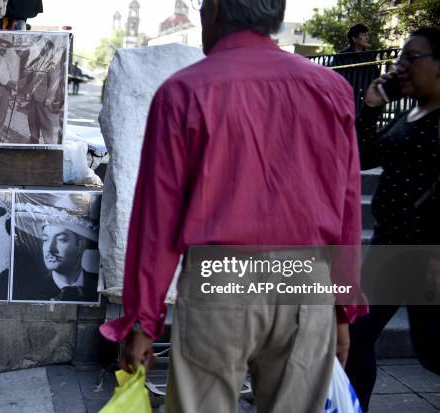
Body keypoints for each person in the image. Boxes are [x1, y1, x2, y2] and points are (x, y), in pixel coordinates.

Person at [99, 0, 366, 411]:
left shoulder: (184, 90)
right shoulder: (331, 89)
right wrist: (343, 307)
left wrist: (143, 320)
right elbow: (348, 206)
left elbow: (157, 221)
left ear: (217, 12)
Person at [345, 27, 440, 411]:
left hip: (427, 252)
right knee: (358, 334)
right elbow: (361, 156)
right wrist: (371, 105)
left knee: (433, 350)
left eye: (411, 58)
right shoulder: (413, 113)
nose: (401, 66)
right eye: (400, 58)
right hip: (393, 246)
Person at [13, 204, 99, 302]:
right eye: (45, 240)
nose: (50, 249)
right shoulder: (28, 290)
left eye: (61, 240)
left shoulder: (99, 285)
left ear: (80, 244)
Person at [22, 39, 63, 144]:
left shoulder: (53, 63)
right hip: (33, 96)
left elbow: (54, 83)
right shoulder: (38, 60)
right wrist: (28, 92)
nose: (40, 49)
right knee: (32, 119)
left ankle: (48, 142)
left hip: (44, 97)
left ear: (48, 48)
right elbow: (31, 78)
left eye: (42, 47)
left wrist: (49, 98)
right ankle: (34, 139)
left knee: (45, 122)